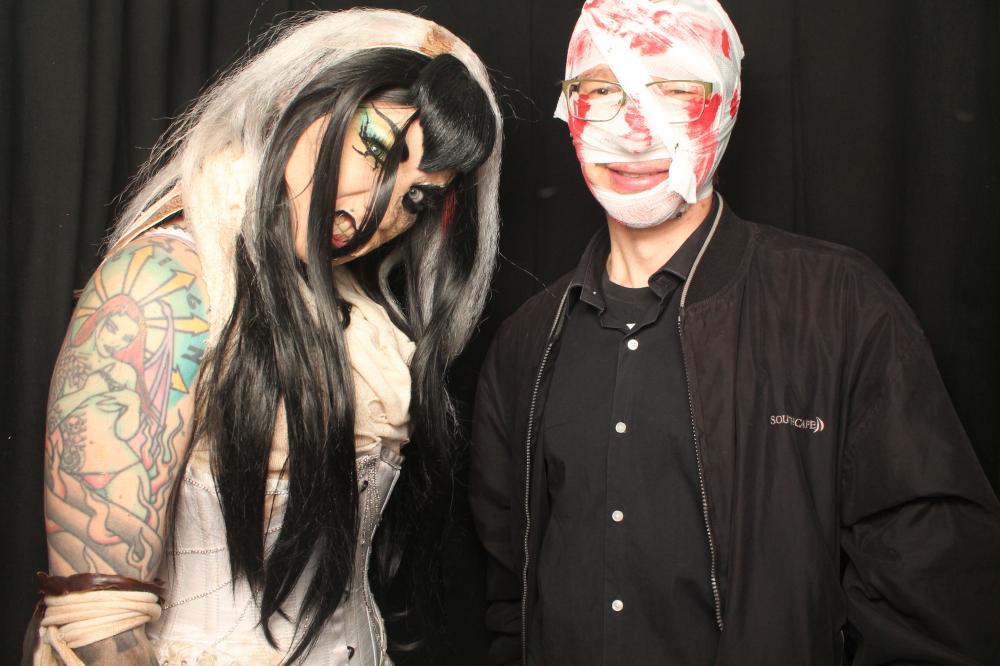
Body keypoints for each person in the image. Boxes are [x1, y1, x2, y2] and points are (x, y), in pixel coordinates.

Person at [469, 0, 1000, 664]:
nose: (635, 132)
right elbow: (508, 597)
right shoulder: (526, 343)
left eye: (675, 92)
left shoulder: (839, 306)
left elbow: (931, 584)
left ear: (728, 107)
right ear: (569, 108)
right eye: (602, 91)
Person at [32, 8, 501, 664]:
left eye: (417, 199)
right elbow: (94, 625)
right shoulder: (162, 288)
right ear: (295, 99)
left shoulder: (361, 315)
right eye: (375, 149)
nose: (378, 210)